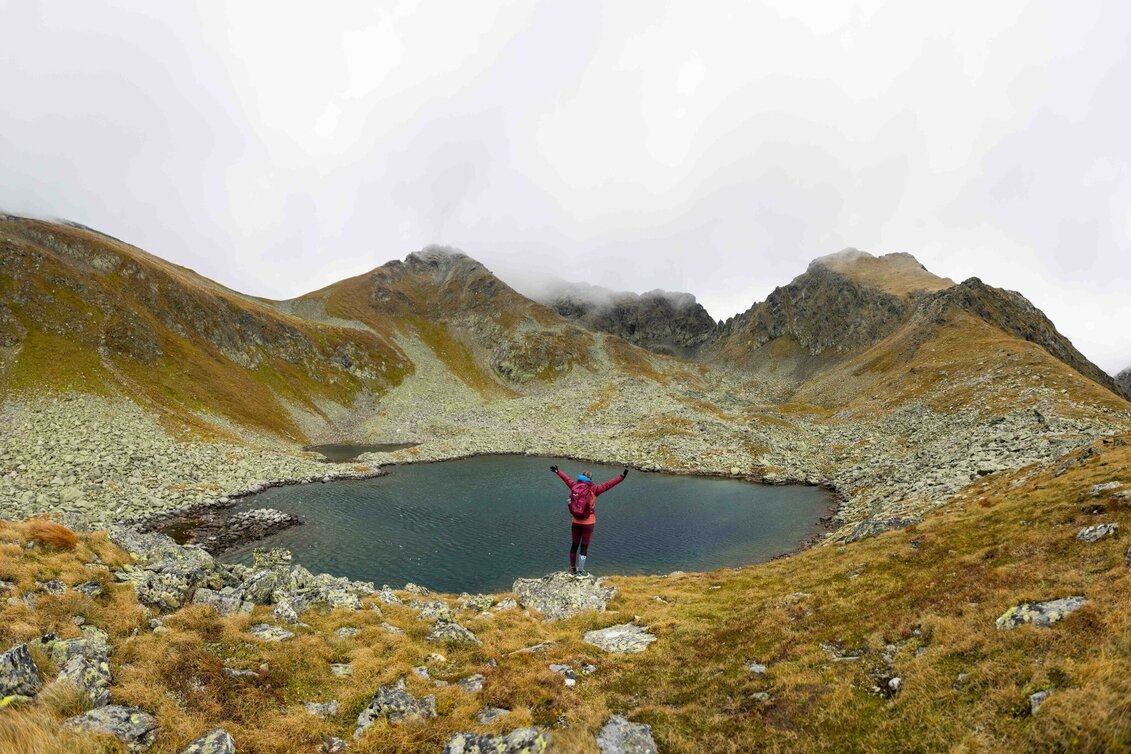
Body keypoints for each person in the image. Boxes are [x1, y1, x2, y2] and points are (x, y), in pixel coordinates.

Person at [550, 464, 628, 576]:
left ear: (580, 477)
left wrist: (558, 471)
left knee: (574, 545)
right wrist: (621, 477)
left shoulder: (574, 486)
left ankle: (572, 569)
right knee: (584, 546)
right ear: (590, 479)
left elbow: (567, 480)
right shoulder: (594, 489)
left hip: (575, 521)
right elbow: (608, 485)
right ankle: (581, 571)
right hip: (588, 522)